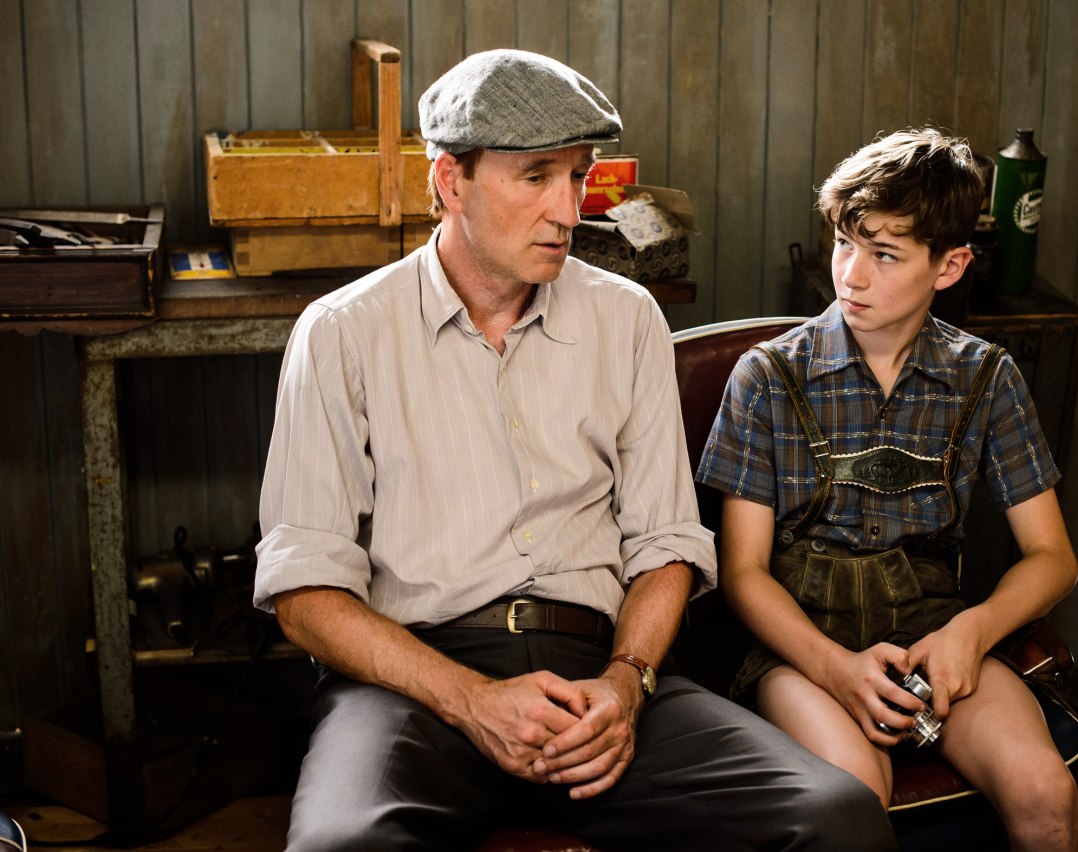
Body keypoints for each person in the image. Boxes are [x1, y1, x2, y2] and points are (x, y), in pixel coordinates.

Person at [253, 49, 895, 851]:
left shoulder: (626, 319)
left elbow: (666, 545)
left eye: (579, 176)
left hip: (602, 671)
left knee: (836, 817)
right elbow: (305, 592)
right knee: (341, 847)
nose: (568, 211)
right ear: (450, 182)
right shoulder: (343, 333)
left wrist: (626, 683)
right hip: (414, 686)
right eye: (536, 178)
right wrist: (471, 700)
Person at [696, 128, 1078, 851]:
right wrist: (837, 670)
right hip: (801, 648)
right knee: (854, 793)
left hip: (932, 634)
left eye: (885, 255)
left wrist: (971, 632)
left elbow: (1053, 558)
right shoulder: (767, 377)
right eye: (845, 243)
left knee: (1046, 793)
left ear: (950, 265)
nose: (852, 276)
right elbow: (743, 573)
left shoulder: (985, 377)